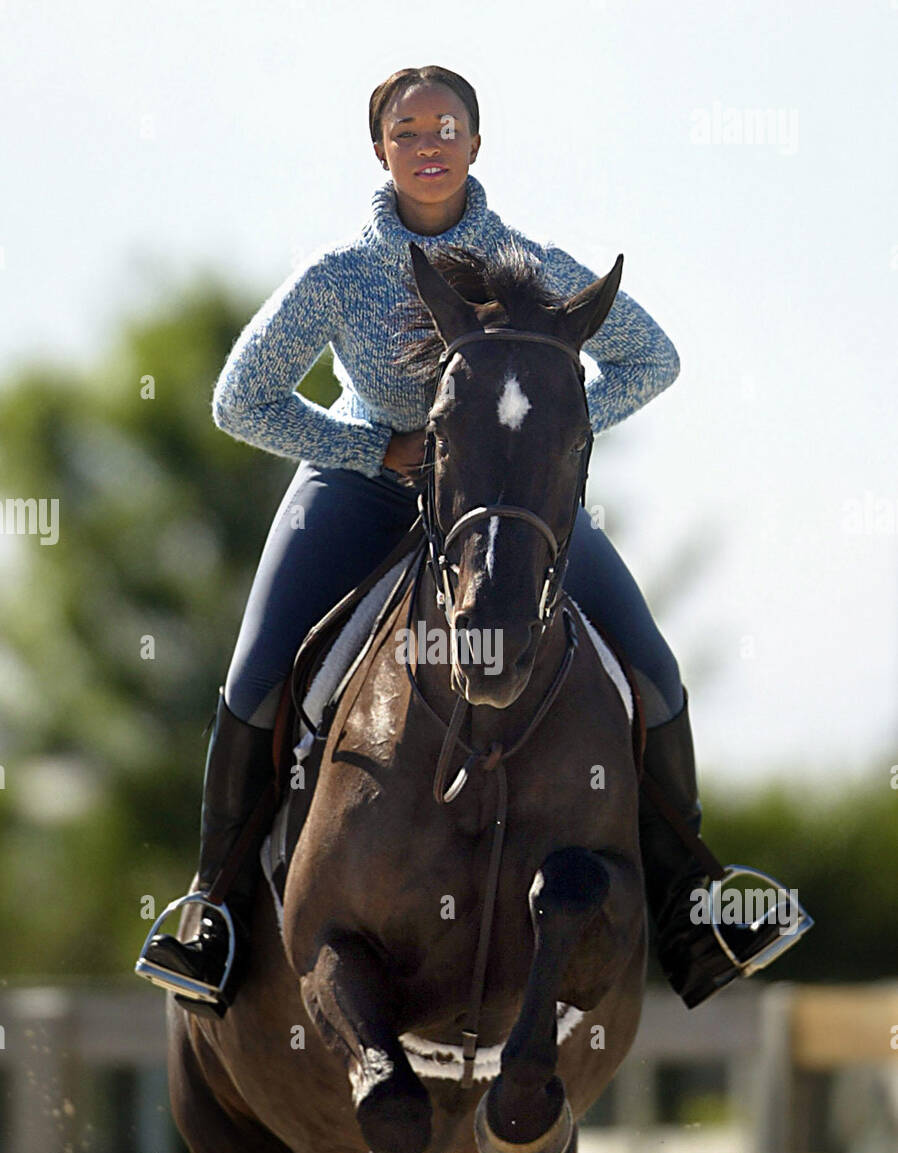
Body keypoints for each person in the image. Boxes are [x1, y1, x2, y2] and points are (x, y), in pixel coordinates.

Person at [138, 65, 810, 1014]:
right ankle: (213, 913)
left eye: (446, 127)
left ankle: (693, 907)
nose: (428, 144)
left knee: (652, 672)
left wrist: (546, 441)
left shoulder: (530, 261)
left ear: (477, 144)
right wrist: (375, 446)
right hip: (363, 485)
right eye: (406, 130)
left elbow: (652, 358)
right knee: (254, 677)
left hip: (502, 504)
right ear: (380, 150)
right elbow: (237, 400)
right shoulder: (336, 276)